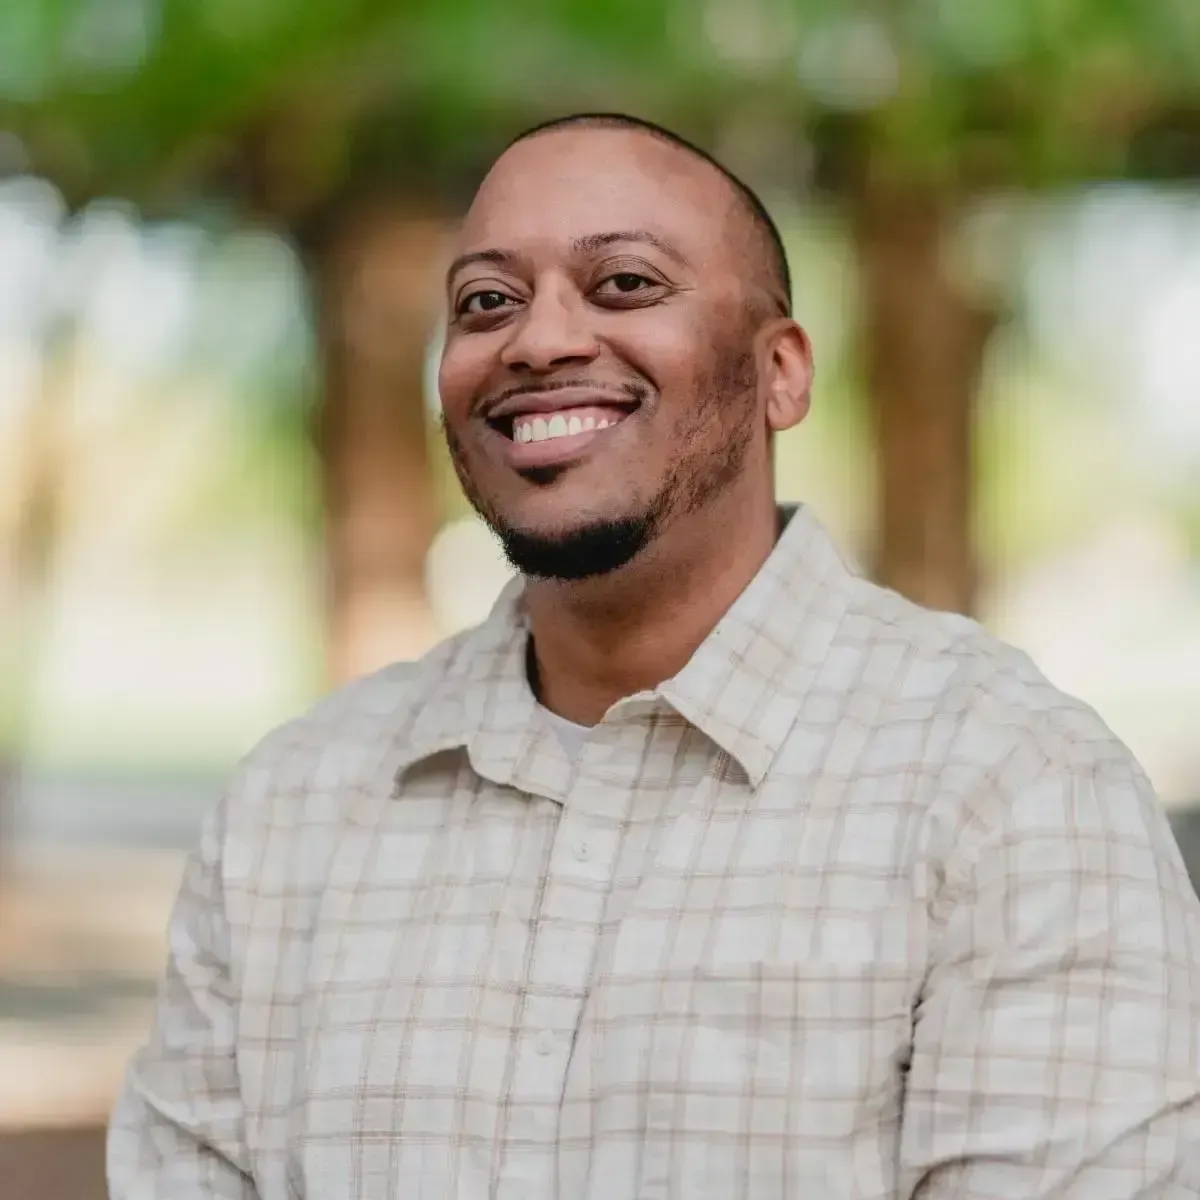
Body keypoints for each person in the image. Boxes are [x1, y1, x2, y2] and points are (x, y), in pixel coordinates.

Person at [108, 113, 1200, 1199]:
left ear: (780, 373)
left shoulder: (1014, 789)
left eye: (625, 283)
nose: (537, 342)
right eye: (487, 301)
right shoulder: (290, 811)